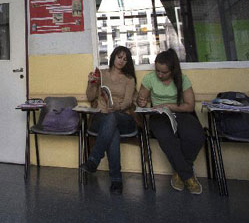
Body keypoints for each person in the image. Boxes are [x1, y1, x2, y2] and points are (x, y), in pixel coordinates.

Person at [136, 48, 205, 194]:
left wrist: (169, 106)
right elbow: (141, 99)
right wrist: (141, 101)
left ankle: (179, 172)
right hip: (158, 116)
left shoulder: (183, 79)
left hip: (180, 113)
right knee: (167, 139)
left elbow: (189, 105)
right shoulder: (149, 78)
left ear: (172, 70)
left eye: (164, 72)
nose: (160, 75)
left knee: (195, 136)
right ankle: (188, 176)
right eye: (157, 71)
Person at [80, 46, 137, 195]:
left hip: (123, 117)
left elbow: (128, 101)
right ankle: (116, 180)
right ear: (113, 57)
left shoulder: (129, 79)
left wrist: (117, 106)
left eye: (125, 59)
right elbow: (91, 97)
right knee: (112, 130)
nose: (122, 61)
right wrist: (91, 83)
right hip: (102, 117)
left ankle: (94, 158)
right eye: (119, 57)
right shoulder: (102, 74)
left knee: (112, 119)